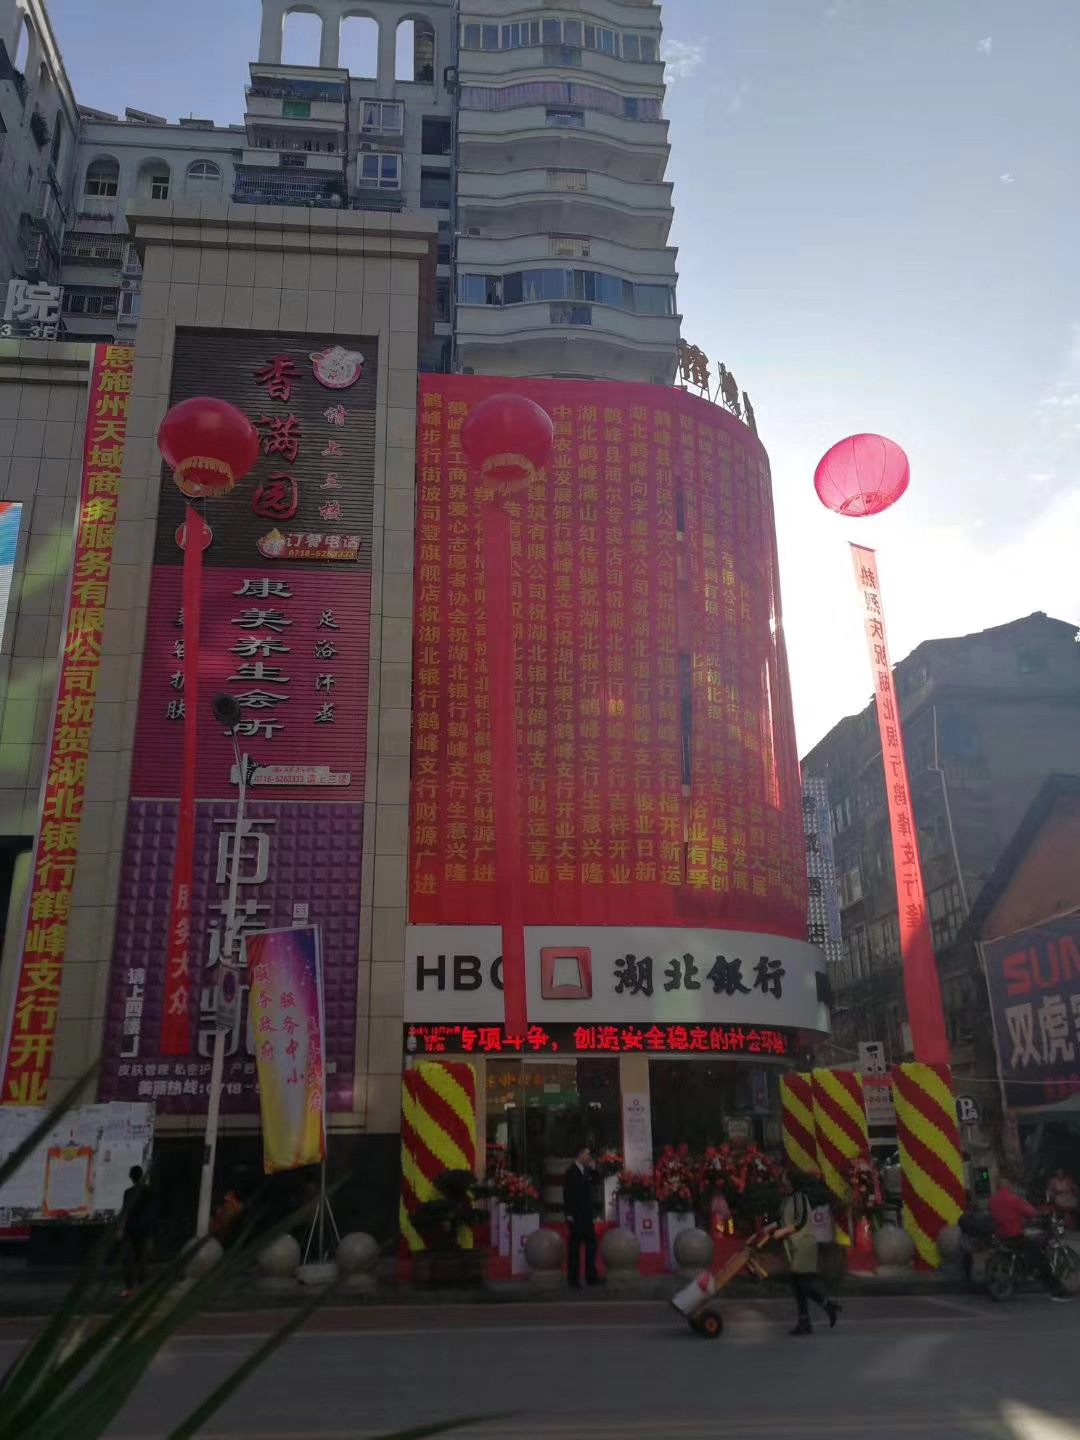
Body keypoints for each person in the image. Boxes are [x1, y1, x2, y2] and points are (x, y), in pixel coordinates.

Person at [990, 1175, 1068, 1299]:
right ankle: (1055, 1287)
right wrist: (1038, 1215)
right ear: (1008, 1187)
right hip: (1014, 1236)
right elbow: (1031, 1212)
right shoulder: (1013, 1199)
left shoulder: (993, 1200)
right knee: (1040, 1259)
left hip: (1002, 1235)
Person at [781, 1172, 840, 1336]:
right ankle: (805, 1320)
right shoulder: (792, 1199)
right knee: (797, 1285)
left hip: (804, 1245)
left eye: (785, 1180)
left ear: (791, 1183)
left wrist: (779, 1232)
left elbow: (798, 1223)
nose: (782, 1184)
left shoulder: (798, 1199)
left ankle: (826, 1305)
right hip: (796, 1245)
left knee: (802, 1285)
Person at [563, 1145, 600, 1289]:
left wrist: (594, 1170)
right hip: (576, 1216)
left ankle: (591, 1276)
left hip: (587, 1215)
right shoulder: (571, 1172)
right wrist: (569, 1214)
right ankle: (573, 1279)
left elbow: (596, 1182)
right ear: (580, 1154)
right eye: (587, 1154)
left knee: (591, 1245)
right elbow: (568, 1194)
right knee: (575, 1248)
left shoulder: (588, 1170)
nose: (589, 1157)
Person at [119, 1165, 153, 1298]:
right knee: (141, 1259)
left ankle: (129, 1289)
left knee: (129, 1260)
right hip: (143, 1229)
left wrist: (121, 1229)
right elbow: (151, 1211)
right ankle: (142, 1287)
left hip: (131, 1230)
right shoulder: (148, 1191)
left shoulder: (128, 1192)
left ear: (131, 1177)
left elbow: (125, 1212)